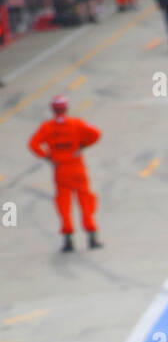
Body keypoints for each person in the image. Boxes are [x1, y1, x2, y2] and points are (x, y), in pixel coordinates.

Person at [28, 95, 102, 252]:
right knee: (85, 201)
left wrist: (47, 156)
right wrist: (83, 145)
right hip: (77, 169)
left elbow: (33, 144)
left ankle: (68, 240)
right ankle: (91, 237)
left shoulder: (47, 127)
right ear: (66, 108)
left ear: (52, 109)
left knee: (63, 205)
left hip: (60, 170)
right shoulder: (76, 123)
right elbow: (96, 133)